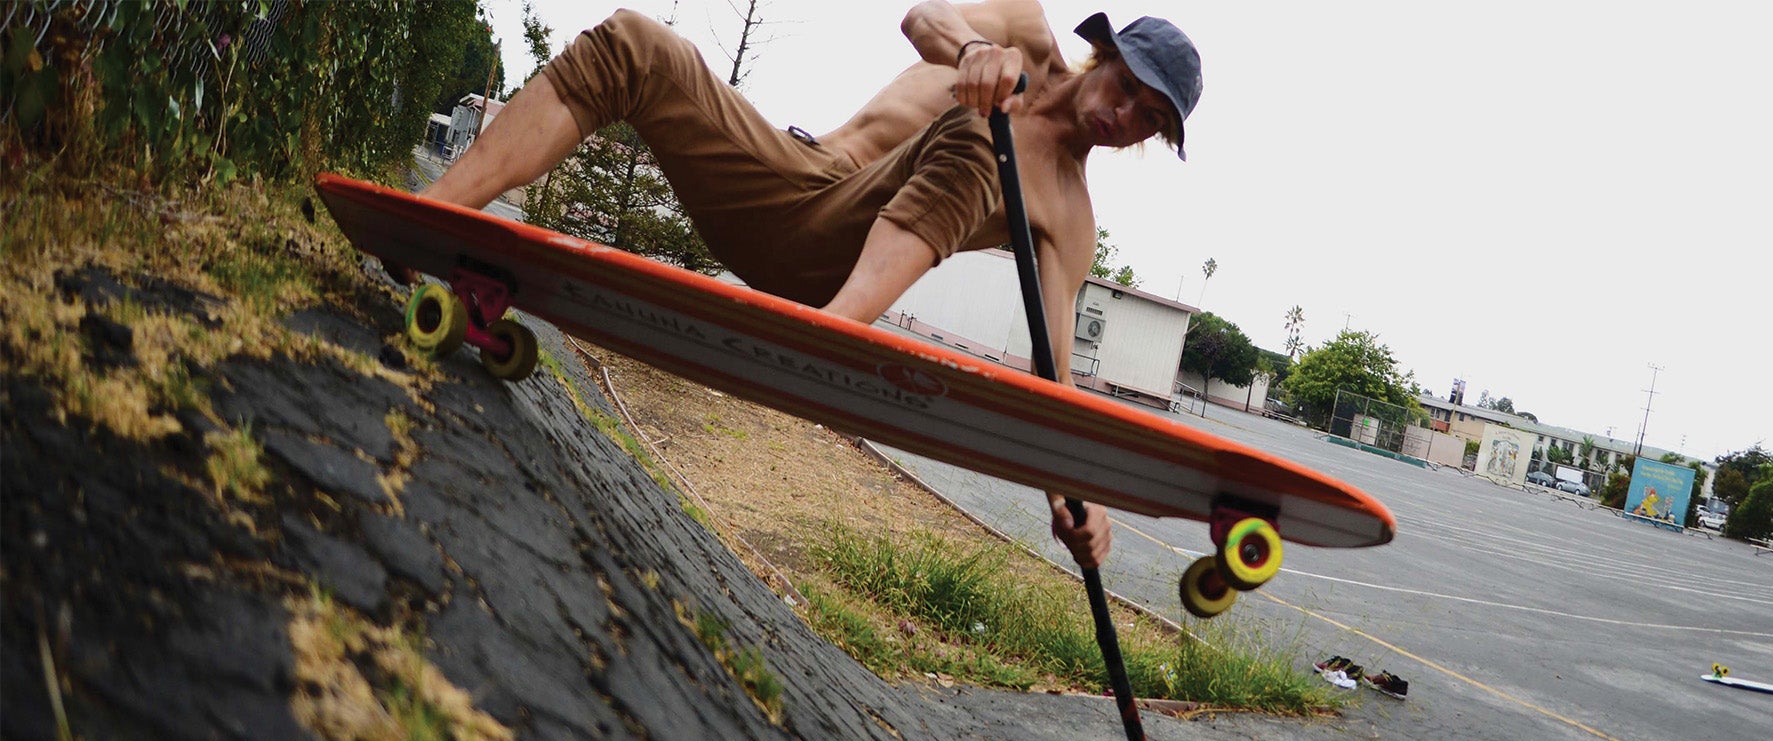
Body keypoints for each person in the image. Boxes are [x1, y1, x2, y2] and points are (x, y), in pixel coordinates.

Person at [418, 2, 1202, 569]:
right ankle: (427, 217)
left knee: (978, 134)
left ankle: (822, 338)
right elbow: (922, 18)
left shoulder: (1069, 214)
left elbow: (1055, 376)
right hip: (783, 177)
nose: (1124, 116)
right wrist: (971, 49)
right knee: (635, 43)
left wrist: (1076, 495)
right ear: (1104, 55)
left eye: (1149, 121)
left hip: (837, 263)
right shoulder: (1021, 32)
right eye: (1128, 88)